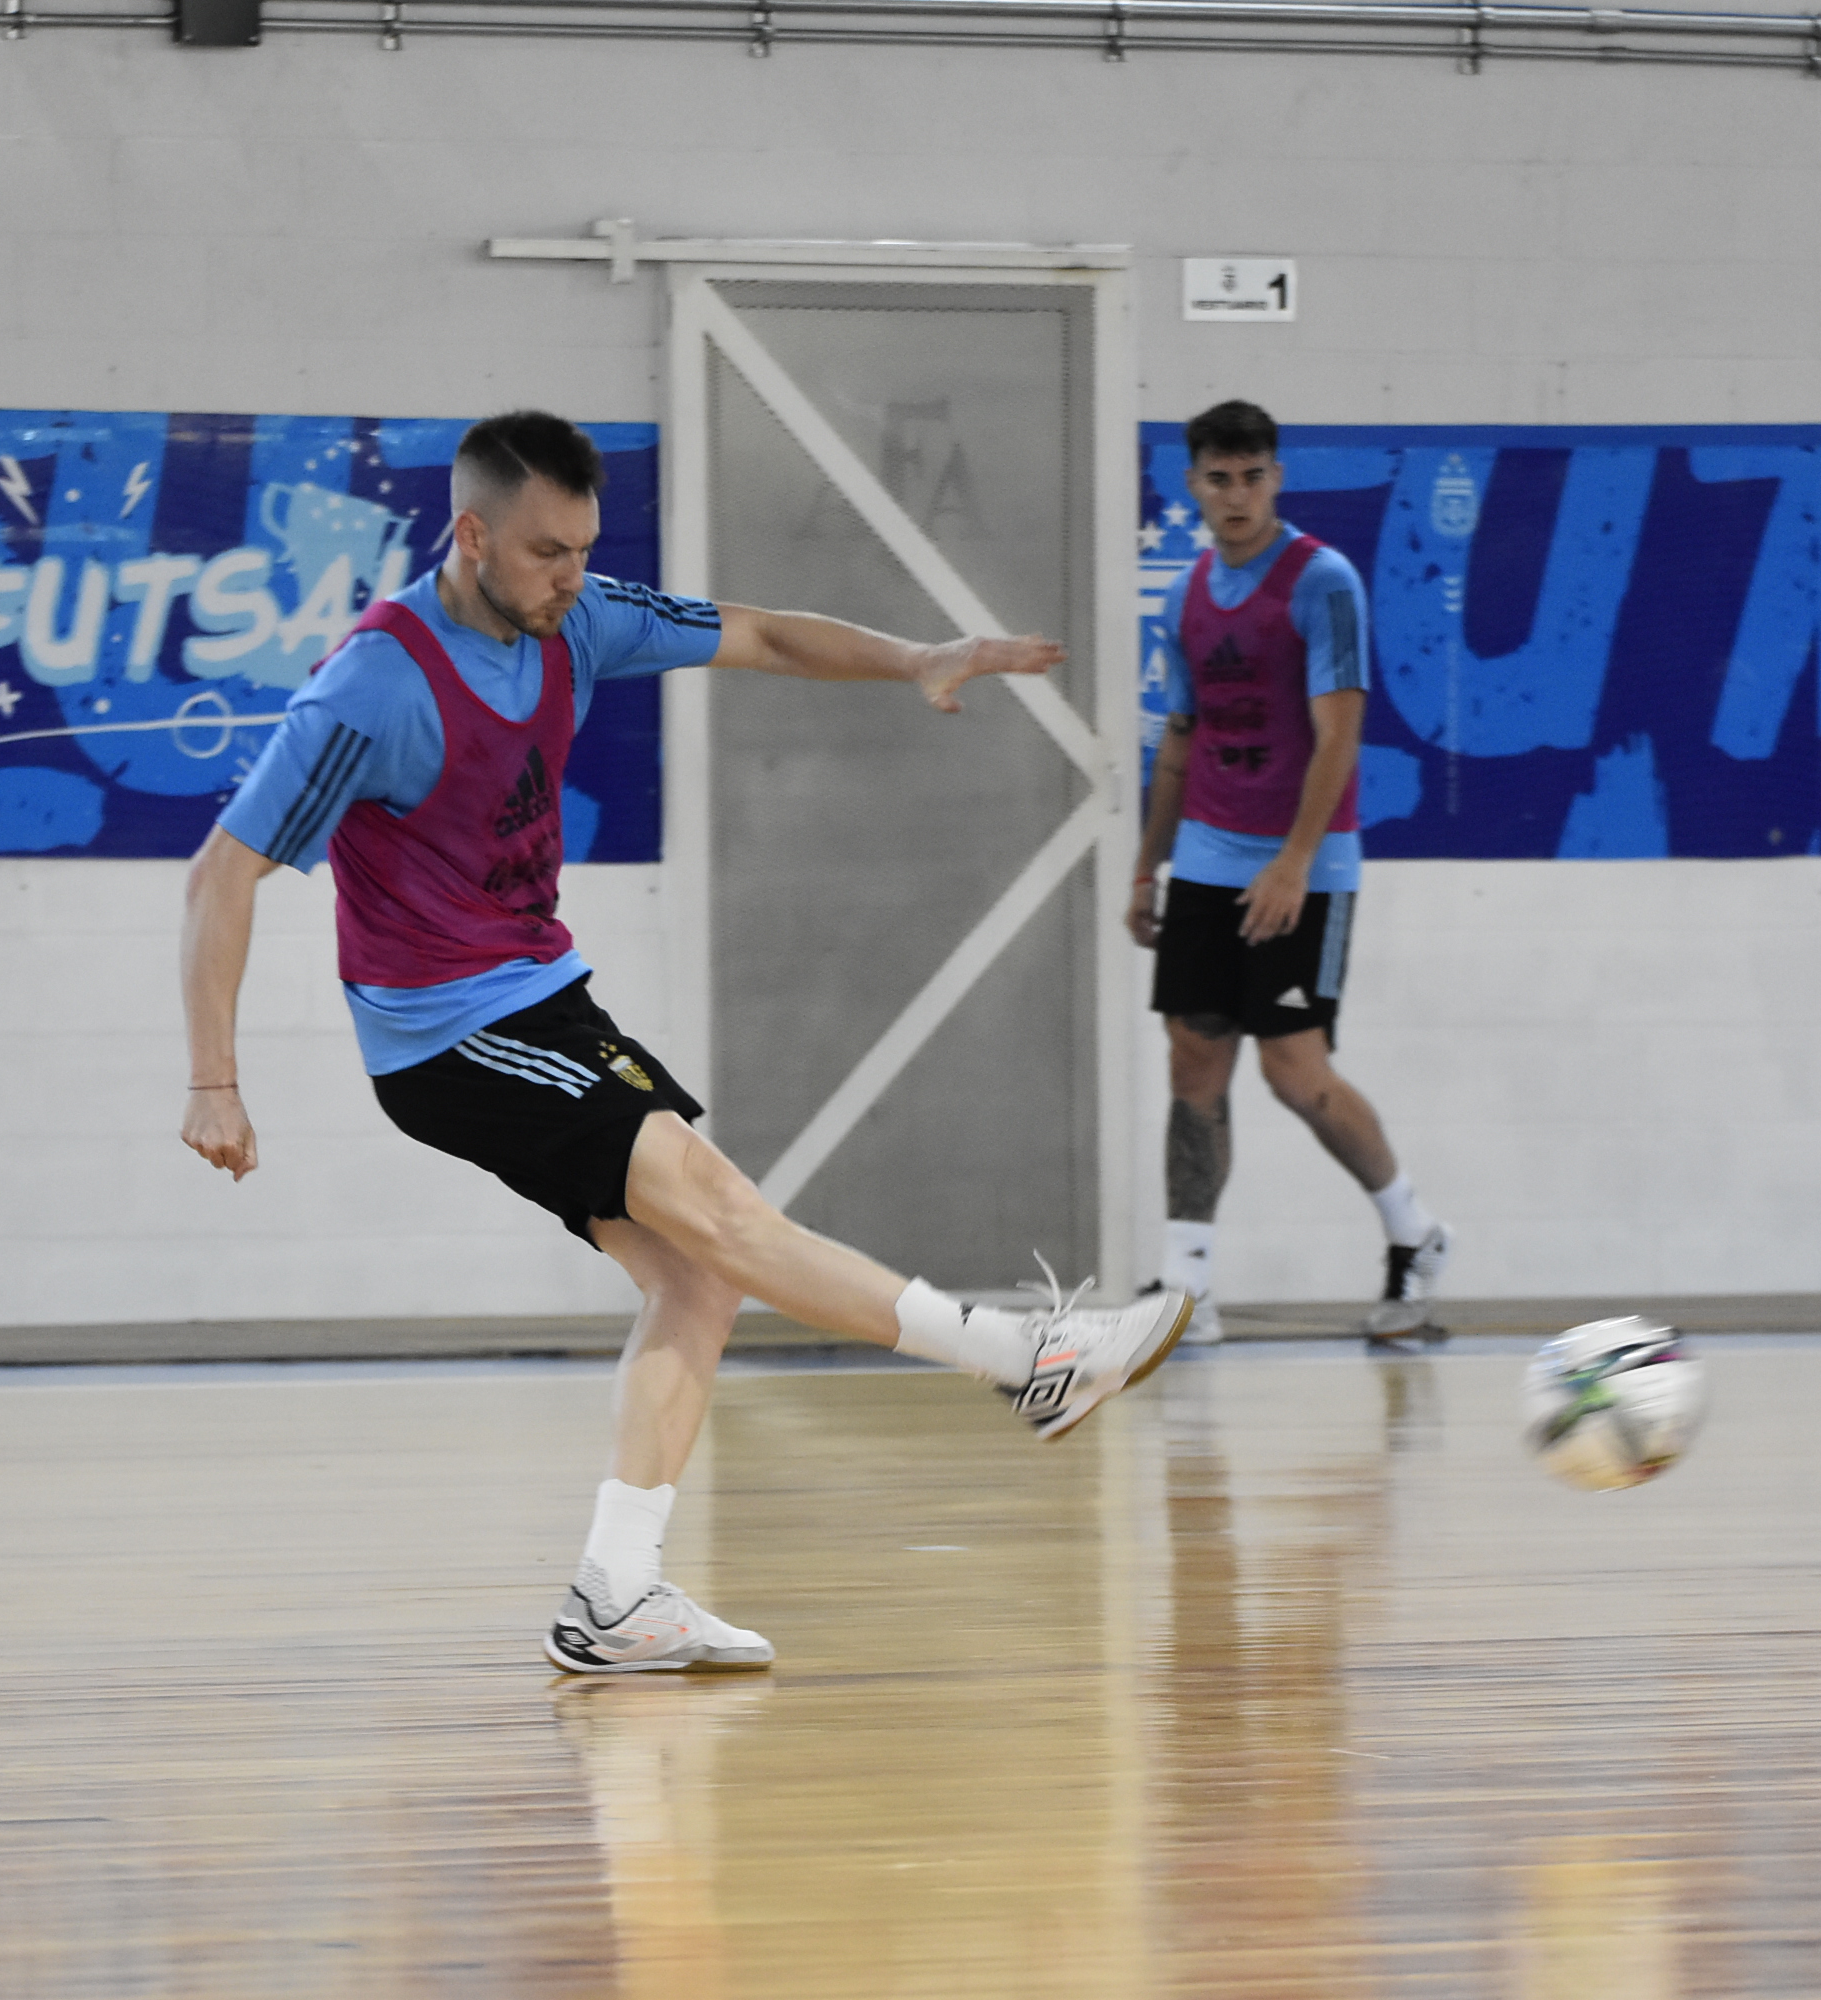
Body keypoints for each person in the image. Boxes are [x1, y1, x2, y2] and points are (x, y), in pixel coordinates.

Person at [181, 411, 1192, 1676]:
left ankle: (616, 1591)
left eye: (583, 550)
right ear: (472, 532)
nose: (571, 576)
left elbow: (760, 633)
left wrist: (917, 656)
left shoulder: (578, 617)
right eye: (547, 552)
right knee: (723, 1211)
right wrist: (214, 1080)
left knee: (698, 1278)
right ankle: (1024, 1358)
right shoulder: (376, 679)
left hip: (541, 998)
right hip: (445, 1034)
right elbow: (223, 873)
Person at [1126, 400, 1451, 1346]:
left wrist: (1294, 863)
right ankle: (1187, 1291)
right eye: (1219, 478)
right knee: (1193, 1062)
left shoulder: (1323, 582)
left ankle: (1415, 1233)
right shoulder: (1186, 594)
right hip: (1204, 863)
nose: (1237, 495)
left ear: (1277, 479)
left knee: (1295, 1075)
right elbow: (1181, 739)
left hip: (1305, 868)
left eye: (1253, 476)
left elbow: (1340, 732)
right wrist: (1149, 868)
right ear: (1193, 484)